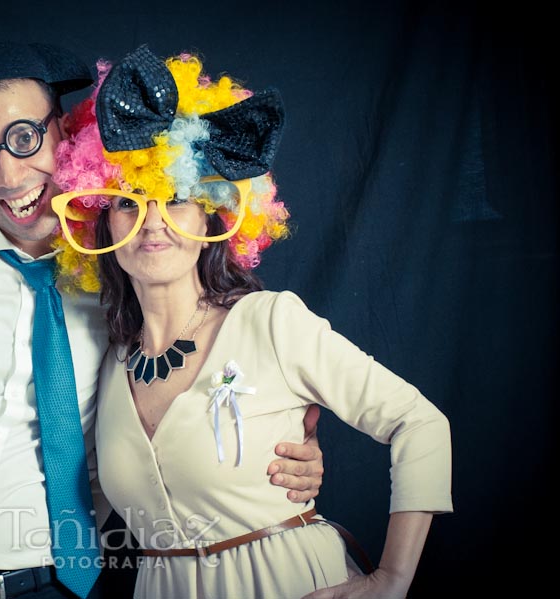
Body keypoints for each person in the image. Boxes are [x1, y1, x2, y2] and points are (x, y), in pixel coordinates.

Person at [0, 42, 325, 599]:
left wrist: (278, 448)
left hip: (69, 584)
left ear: (64, 131)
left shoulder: (128, 263)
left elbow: (194, 376)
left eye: (23, 138)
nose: (8, 175)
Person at [50, 45, 453, 599]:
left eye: (178, 199)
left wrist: (393, 578)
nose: (151, 223)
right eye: (128, 201)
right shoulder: (104, 358)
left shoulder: (270, 322)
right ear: (99, 220)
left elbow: (420, 423)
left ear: (213, 212)